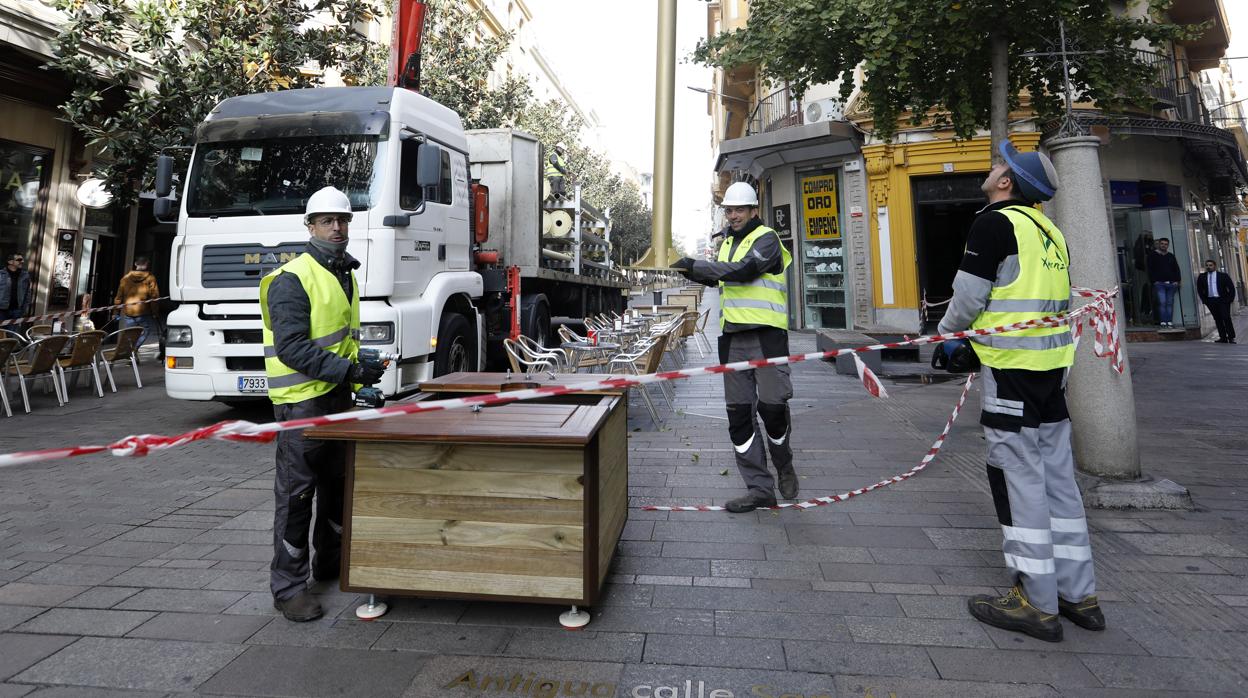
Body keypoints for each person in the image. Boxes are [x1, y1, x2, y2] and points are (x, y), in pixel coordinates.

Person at [934, 142, 1102, 643]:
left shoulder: (994, 223)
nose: (992, 168)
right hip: (1051, 370)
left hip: (1011, 368)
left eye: (999, 165)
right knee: (1058, 479)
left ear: (1007, 182)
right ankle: (1079, 595)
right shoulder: (1049, 231)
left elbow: (968, 296)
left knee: (1018, 477)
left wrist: (948, 338)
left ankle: (1035, 602)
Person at [259, 186, 384, 622]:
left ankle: (329, 563)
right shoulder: (292, 279)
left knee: (337, 486)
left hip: (334, 400)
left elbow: (338, 338)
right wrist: (350, 372)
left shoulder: (341, 272)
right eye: (327, 220)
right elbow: (291, 348)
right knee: (297, 497)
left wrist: (359, 372)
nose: (337, 227)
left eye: (343, 220)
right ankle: (289, 588)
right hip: (300, 407)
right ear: (309, 226)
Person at [671, 181, 797, 513]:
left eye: (739, 209)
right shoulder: (726, 244)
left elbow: (743, 272)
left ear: (754, 210)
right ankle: (759, 489)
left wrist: (697, 266)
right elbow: (718, 277)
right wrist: (686, 268)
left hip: (767, 339)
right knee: (739, 417)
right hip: (734, 340)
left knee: (772, 411)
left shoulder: (768, 239)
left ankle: (783, 463)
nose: (733, 215)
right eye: (728, 210)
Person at [113, 257, 161, 346]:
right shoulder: (150, 278)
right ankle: (134, 349)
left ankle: (129, 352)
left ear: (135, 264)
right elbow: (154, 297)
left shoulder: (125, 279)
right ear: (146, 265)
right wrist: (155, 313)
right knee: (145, 330)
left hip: (128, 312)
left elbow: (118, 297)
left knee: (130, 334)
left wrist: (115, 312)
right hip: (144, 313)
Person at [1197, 259, 1236, 344]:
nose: (1208, 267)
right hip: (1211, 301)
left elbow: (1231, 288)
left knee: (1226, 318)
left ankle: (1231, 337)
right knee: (1217, 319)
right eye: (1207, 265)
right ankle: (1223, 337)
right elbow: (1200, 289)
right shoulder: (1202, 277)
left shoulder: (1223, 276)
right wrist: (1205, 300)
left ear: (1215, 266)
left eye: (1210, 265)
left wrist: (1229, 300)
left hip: (1223, 300)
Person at [1147, 237, 1182, 328]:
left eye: (1166, 244)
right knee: (1162, 302)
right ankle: (1163, 321)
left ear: (1168, 245)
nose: (1164, 245)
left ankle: (1169, 321)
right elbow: (1150, 269)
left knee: (1169, 303)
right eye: (1162, 243)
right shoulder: (1152, 255)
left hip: (1171, 284)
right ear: (1159, 244)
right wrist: (1154, 281)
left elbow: (1176, 269)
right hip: (1159, 284)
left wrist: (1177, 281)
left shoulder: (1171, 256)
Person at [0, 253, 32, 328]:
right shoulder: (1, 274)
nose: (22, 261)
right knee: (1, 336)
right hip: (1, 310)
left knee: (13, 336)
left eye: (23, 259)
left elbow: (27, 293)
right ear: (10, 262)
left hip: (16, 310)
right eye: (19, 260)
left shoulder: (25, 275)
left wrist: (23, 309)